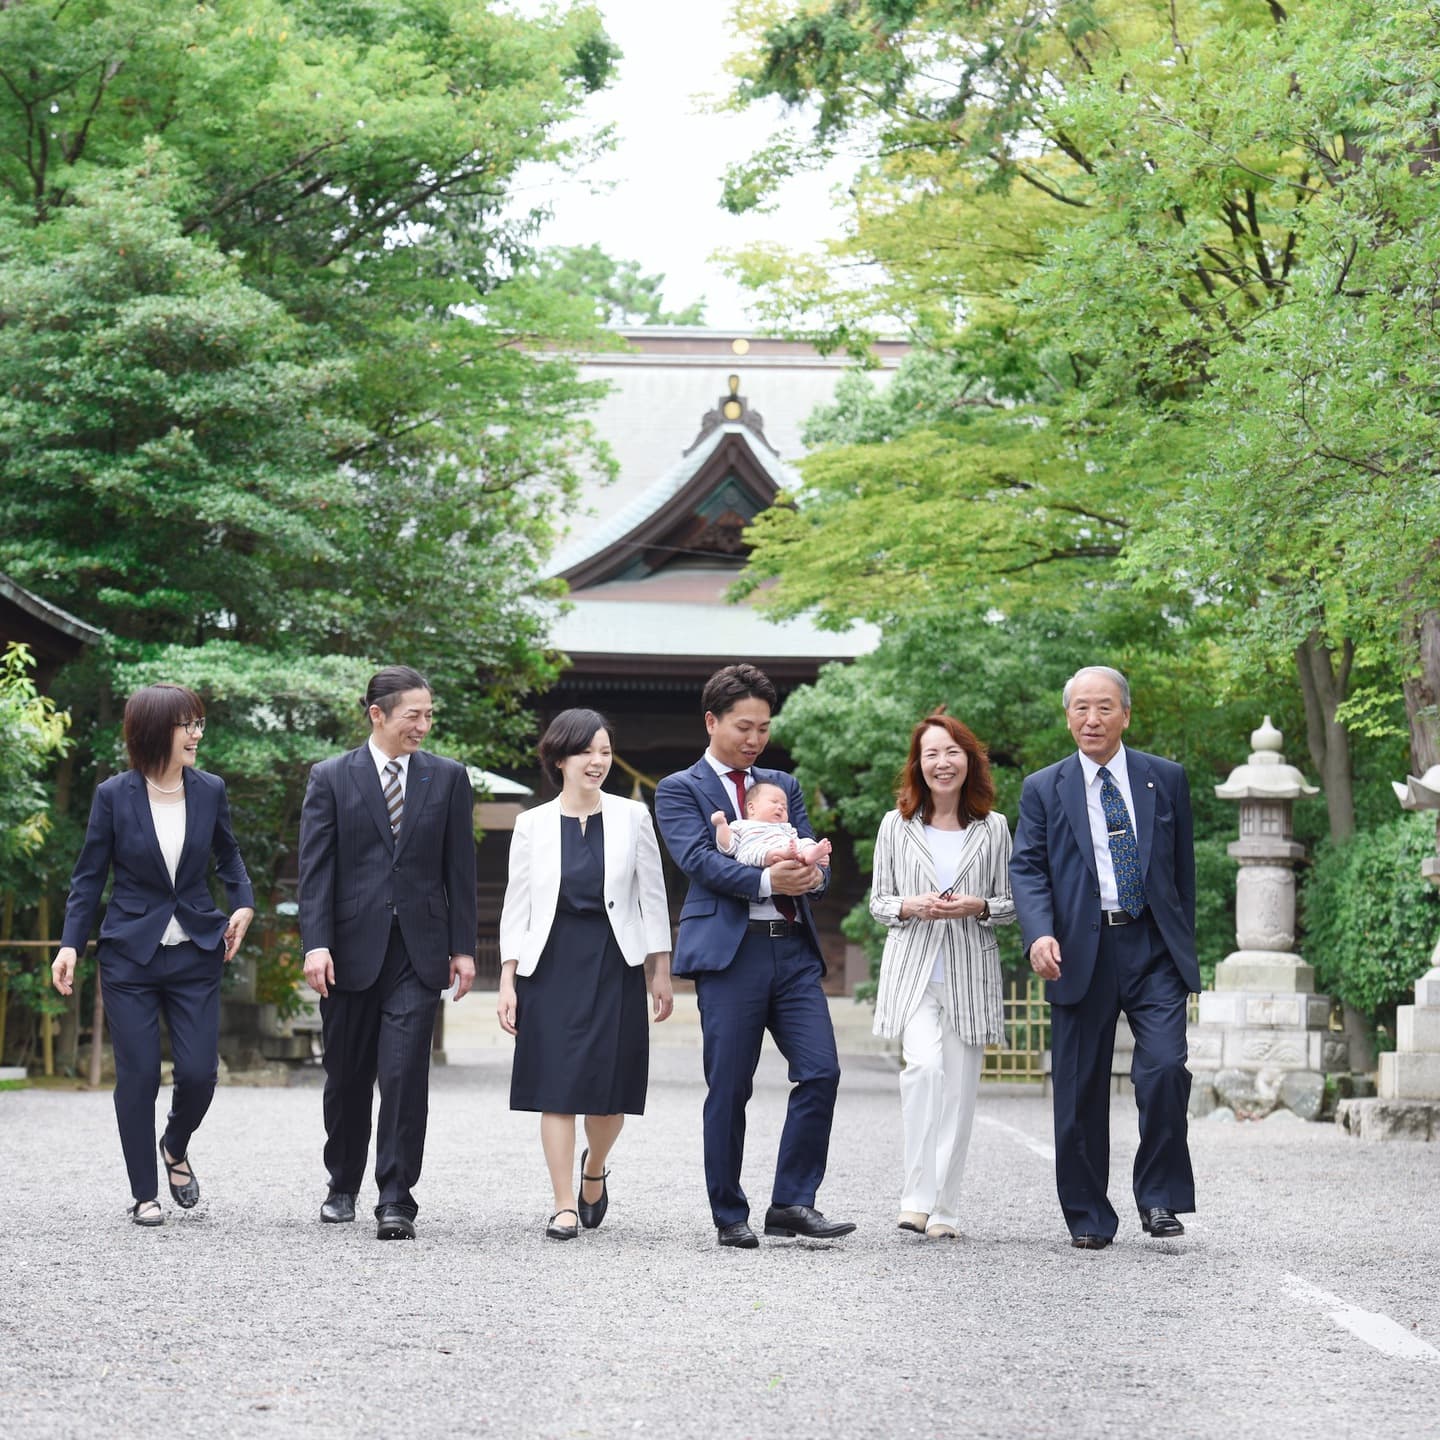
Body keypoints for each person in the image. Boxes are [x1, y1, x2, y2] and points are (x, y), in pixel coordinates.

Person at [654, 663, 854, 1249]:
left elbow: (817, 856)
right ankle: (729, 1212)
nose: (755, 739)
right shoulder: (680, 789)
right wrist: (772, 883)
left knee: (821, 1071)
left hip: (792, 953)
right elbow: (699, 862)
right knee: (731, 1086)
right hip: (729, 956)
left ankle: (793, 1201)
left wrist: (810, 878)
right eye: (744, 726)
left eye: (764, 728)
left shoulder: (783, 785)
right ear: (712, 720)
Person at [1009, 666, 1200, 1250]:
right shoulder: (1044, 788)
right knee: (1079, 1088)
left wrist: (1179, 941)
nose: (1092, 719)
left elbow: (1182, 870)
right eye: (1081, 709)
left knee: (1165, 1068)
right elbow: (1028, 869)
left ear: (1125, 714)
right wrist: (1039, 934)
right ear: (1068, 716)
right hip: (1077, 951)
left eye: (1104, 708)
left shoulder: (1164, 780)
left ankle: (1160, 1196)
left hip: (1150, 947)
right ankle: (1089, 1215)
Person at [52, 684, 255, 1226]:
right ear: (153, 730)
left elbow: (228, 855)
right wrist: (70, 943)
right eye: (186, 725)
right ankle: (144, 1192)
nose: (196, 734)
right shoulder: (114, 795)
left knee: (198, 1074)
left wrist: (244, 904)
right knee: (139, 1074)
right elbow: (89, 876)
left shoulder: (209, 789)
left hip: (196, 952)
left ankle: (175, 1143)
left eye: (198, 724)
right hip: (130, 956)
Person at [298, 665, 477, 1241]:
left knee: (404, 1075)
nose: (423, 725)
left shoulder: (447, 778)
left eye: (429, 715)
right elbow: (315, 870)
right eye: (413, 715)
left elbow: (461, 871)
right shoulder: (331, 777)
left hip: (418, 952)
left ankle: (397, 1197)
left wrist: (463, 948)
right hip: (348, 950)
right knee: (346, 1076)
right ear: (377, 714)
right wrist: (316, 943)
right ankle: (342, 1182)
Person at [496, 709, 674, 1240]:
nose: (598, 761)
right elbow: (517, 905)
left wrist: (659, 970)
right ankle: (562, 1205)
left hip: (614, 959)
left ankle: (593, 1168)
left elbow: (653, 896)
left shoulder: (632, 817)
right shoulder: (531, 824)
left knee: (609, 1091)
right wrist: (507, 980)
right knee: (556, 1087)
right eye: (586, 752)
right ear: (560, 759)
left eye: (605, 751)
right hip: (548, 964)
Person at [869, 711, 1015, 1240]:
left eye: (951, 752)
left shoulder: (993, 827)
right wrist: (912, 905)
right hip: (914, 973)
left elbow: (1009, 905)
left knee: (960, 1092)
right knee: (923, 1071)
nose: (941, 762)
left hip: (970, 974)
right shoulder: (896, 824)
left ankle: (945, 1209)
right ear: (919, 764)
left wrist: (978, 905)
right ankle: (914, 1198)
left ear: (968, 760)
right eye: (931, 753)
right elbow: (879, 902)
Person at [711, 780, 834, 867]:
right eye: (774, 802)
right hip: (759, 850)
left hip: (790, 850)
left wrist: (809, 849)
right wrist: (721, 825)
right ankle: (782, 854)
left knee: (804, 842)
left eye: (784, 807)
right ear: (751, 808)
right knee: (757, 852)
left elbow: (796, 841)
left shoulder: (786, 827)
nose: (780, 807)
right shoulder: (742, 825)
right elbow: (728, 847)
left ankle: (811, 854)